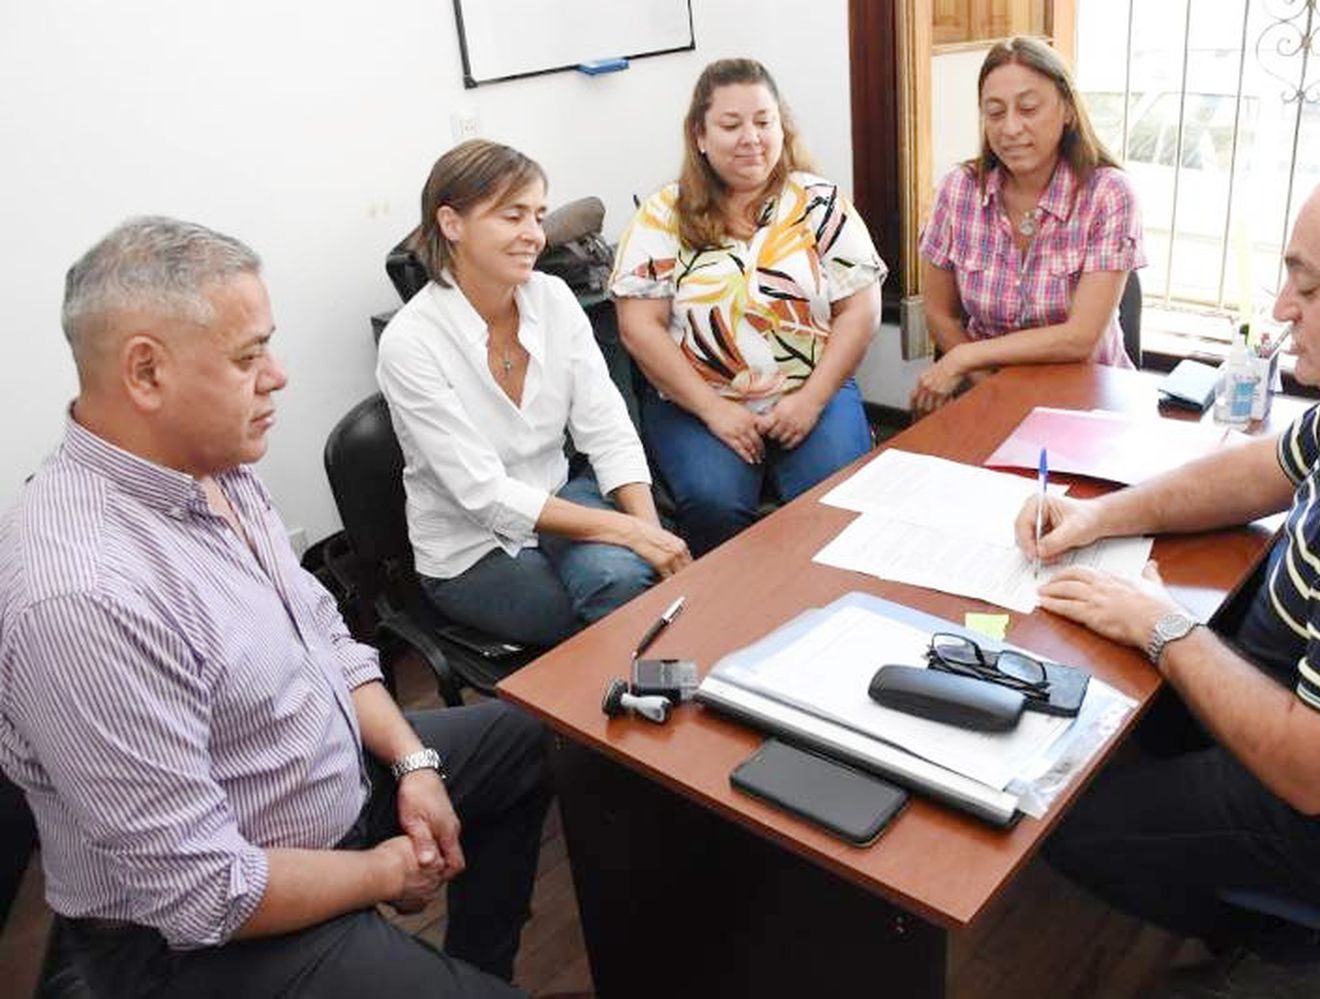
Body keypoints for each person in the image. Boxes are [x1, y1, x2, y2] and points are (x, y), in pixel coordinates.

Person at [0, 217, 552, 998]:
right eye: (248, 356)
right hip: (201, 940)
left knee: (526, 741)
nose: (279, 375)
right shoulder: (83, 600)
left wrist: (414, 763)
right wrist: (380, 869)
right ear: (147, 373)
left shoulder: (207, 464)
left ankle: (473, 971)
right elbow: (204, 891)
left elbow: (323, 630)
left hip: (321, 790)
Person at [1015, 139, 1320, 998]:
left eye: (1309, 286)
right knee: (1091, 715)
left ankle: (1293, 962)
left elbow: (1315, 772)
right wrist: (1099, 514)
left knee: (1071, 821)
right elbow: (1267, 465)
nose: (1282, 308)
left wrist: (1164, 627)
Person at [378, 140, 690, 649]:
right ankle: (612, 716)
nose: (535, 236)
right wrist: (631, 537)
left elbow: (608, 430)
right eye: (513, 216)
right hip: (470, 550)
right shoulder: (410, 344)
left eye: (538, 216)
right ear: (452, 224)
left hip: (559, 502)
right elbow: (482, 494)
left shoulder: (553, 298)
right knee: (607, 613)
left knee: (632, 581)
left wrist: (650, 533)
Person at [612, 58, 887, 556]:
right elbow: (638, 329)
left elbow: (861, 310)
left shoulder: (819, 203)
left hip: (812, 386)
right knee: (714, 502)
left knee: (836, 496)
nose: (751, 138)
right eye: (731, 124)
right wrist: (713, 409)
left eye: (764, 121)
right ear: (700, 134)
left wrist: (811, 401)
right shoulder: (662, 215)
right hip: (696, 402)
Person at [911, 36, 1146, 416]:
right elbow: (940, 313)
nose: (1011, 128)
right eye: (995, 112)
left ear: (1068, 109)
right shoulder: (958, 190)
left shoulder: (1109, 194)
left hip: (1087, 398)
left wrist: (966, 356)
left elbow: (1080, 338)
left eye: (1029, 108)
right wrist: (989, 382)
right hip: (984, 389)